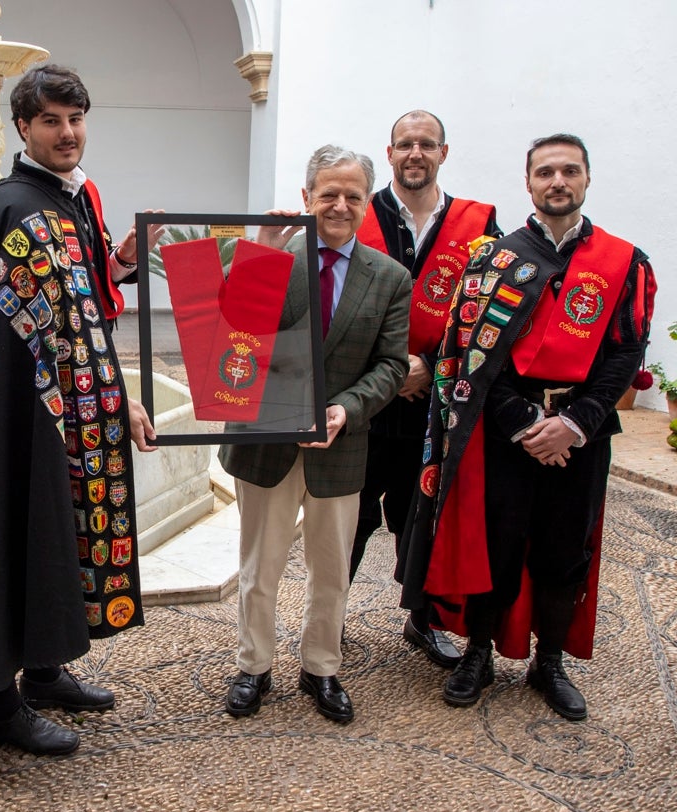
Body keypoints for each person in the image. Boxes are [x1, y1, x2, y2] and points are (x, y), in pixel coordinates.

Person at [0, 64, 157, 756]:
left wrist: (116, 262)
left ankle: (44, 671)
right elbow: (18, 341)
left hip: (68, 412)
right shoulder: (16, 208)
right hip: (28, 422)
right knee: (13, 535)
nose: (68, 133)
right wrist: (46, 421)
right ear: (22, 128)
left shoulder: (67, 198)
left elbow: (80, 301)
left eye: (76, 119)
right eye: (52, 121)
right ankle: (1, 705)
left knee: (52, 540)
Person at [398, 134, 655, 720]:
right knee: (498, 544)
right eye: (545, 172)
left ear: (587, 179)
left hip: (580, 438)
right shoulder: (493, 259)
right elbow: (471, 352)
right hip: (504, 434)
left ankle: (550, 663)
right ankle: (479, 655)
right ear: (529, 182)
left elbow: (624, 353)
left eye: (569, 171)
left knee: (566, 550)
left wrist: (572, 423)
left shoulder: (623, 262)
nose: (557, 181)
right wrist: (524, 420)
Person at [218, 145, 412, 724]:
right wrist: (261, 256)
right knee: (260, 566)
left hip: (340, 444)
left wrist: (347, 409)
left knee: (331, 569)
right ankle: (254, 665)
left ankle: (321, 667)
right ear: (307, 198)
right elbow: (232, 330)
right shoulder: (269, 256)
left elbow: (392, 366)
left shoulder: (390, 278)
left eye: (353, 195)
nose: (339, 205)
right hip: (268, 441)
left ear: (367, 203)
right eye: (328, 193)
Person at [349, 110, 500, 668]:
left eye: (427, 145)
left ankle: (422, 619)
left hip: (437, 405)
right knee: (351, 516)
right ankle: (328, 618)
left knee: (425, 514)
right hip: (365, 401)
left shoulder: (479, 225)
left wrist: (429, 365)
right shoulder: (358, 211)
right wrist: (390, 368)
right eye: (405, 144)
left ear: (443, 153)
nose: (416, 153)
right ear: (388, 154)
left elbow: (489, 310)